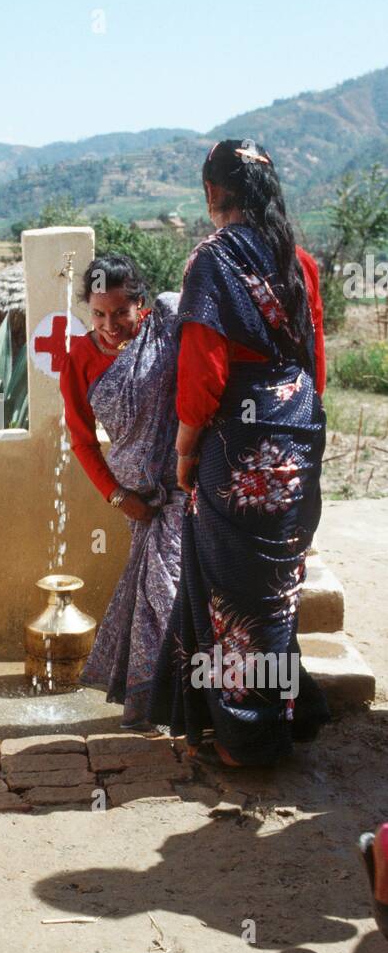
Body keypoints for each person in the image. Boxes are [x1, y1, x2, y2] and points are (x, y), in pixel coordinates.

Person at [149, 138, 330, 767]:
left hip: (239, 445)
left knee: (232, 596)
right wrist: (300, 429)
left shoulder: (211, 261)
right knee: (278, 588)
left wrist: (182, 450)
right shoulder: (298, 261)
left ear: (212, 194)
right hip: (298, 434)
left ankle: (245, 742)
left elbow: (202, 374)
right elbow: (316, 364)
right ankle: (287, 715)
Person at [60, 254, 184, 729]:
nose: (109, 325)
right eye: (98, 314)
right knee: (152, 592)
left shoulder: (167, 331)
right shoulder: (81, 356)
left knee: (167, 589)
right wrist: (116, 495)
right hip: (138, 500)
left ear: (141, 304)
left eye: (120, 312)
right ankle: (159, 702)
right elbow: (81, 438)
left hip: (184, 488)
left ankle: (173, 701)